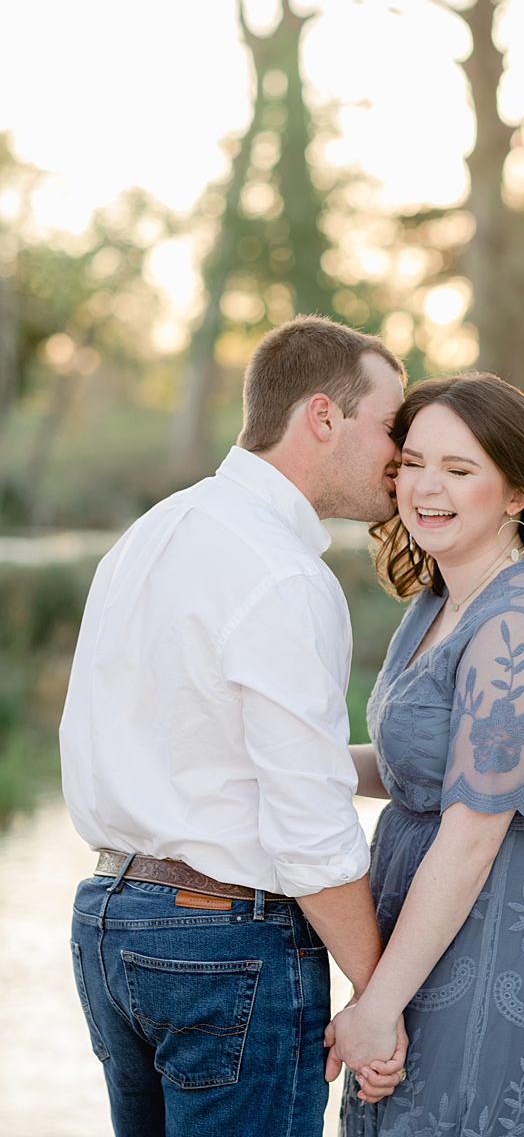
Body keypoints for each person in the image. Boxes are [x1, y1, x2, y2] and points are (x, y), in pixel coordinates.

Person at [60, 316, 408, 1137]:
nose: (404, 456)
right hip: (224, 949)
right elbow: (310, 828)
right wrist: (378, 995)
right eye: (393, 426)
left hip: (111, 923)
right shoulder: (283, 573)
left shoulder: (151, 534)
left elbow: (194, 751)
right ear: (323, 416)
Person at [328, 372, 524, 1137]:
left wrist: (377, 1004)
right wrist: (289, 767)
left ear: (518, 493)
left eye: (460, 471)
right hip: (428, 933)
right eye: (414, 463)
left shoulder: (514, 630)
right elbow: (416, 772)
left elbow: (470, 835)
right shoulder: (440, 597)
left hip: (504, 941)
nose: (427, 488)